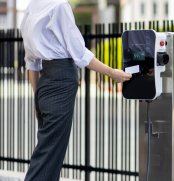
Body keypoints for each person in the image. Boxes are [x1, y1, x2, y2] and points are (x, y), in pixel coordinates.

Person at [20, 0, 132, 180]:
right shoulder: (59, 6)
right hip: (60, 83)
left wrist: (37, 99)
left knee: (47, 152)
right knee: (48, 157)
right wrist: (112, 73)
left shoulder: (31, 8)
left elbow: (31, 63)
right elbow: (80, 54)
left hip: (44, 85)